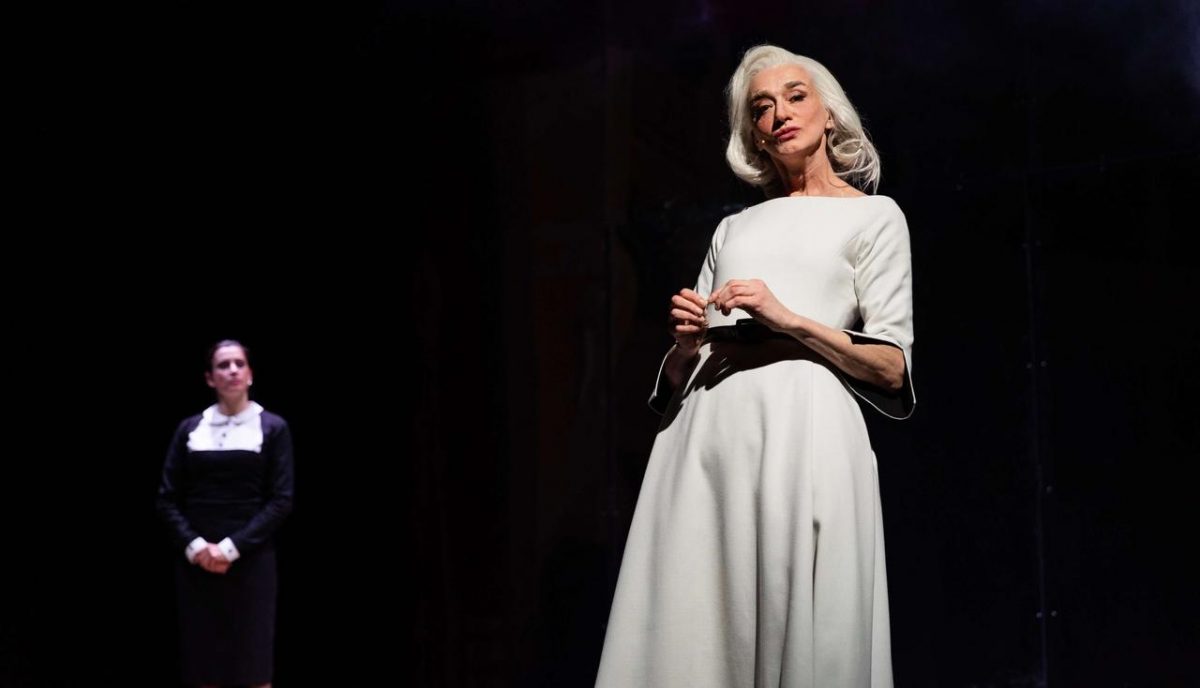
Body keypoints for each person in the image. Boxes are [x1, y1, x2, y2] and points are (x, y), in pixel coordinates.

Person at [595, 44, 915, 688]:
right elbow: (679, 373)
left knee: (799, 618)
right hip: (707, 439)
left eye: (796, 96)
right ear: (755, 136)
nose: (780, 114)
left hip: (803, 431)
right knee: (696, 627)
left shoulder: (873, 216)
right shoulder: (732, 230)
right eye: (761, 108)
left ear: (829, 113)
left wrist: (788, 318)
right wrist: (685, 344)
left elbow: (890, 368)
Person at [156, 340, 295, 688]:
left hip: (251, 560)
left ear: (250, 374)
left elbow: (281, 499)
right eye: (222, 365)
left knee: (252, 663)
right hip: (198, 564)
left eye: (238, 364)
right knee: (204, 665)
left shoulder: (273, 427)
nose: (232, 370)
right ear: (209, 378)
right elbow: (167, 498)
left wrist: (230, 549)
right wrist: (197, 547)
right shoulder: (190, 429)